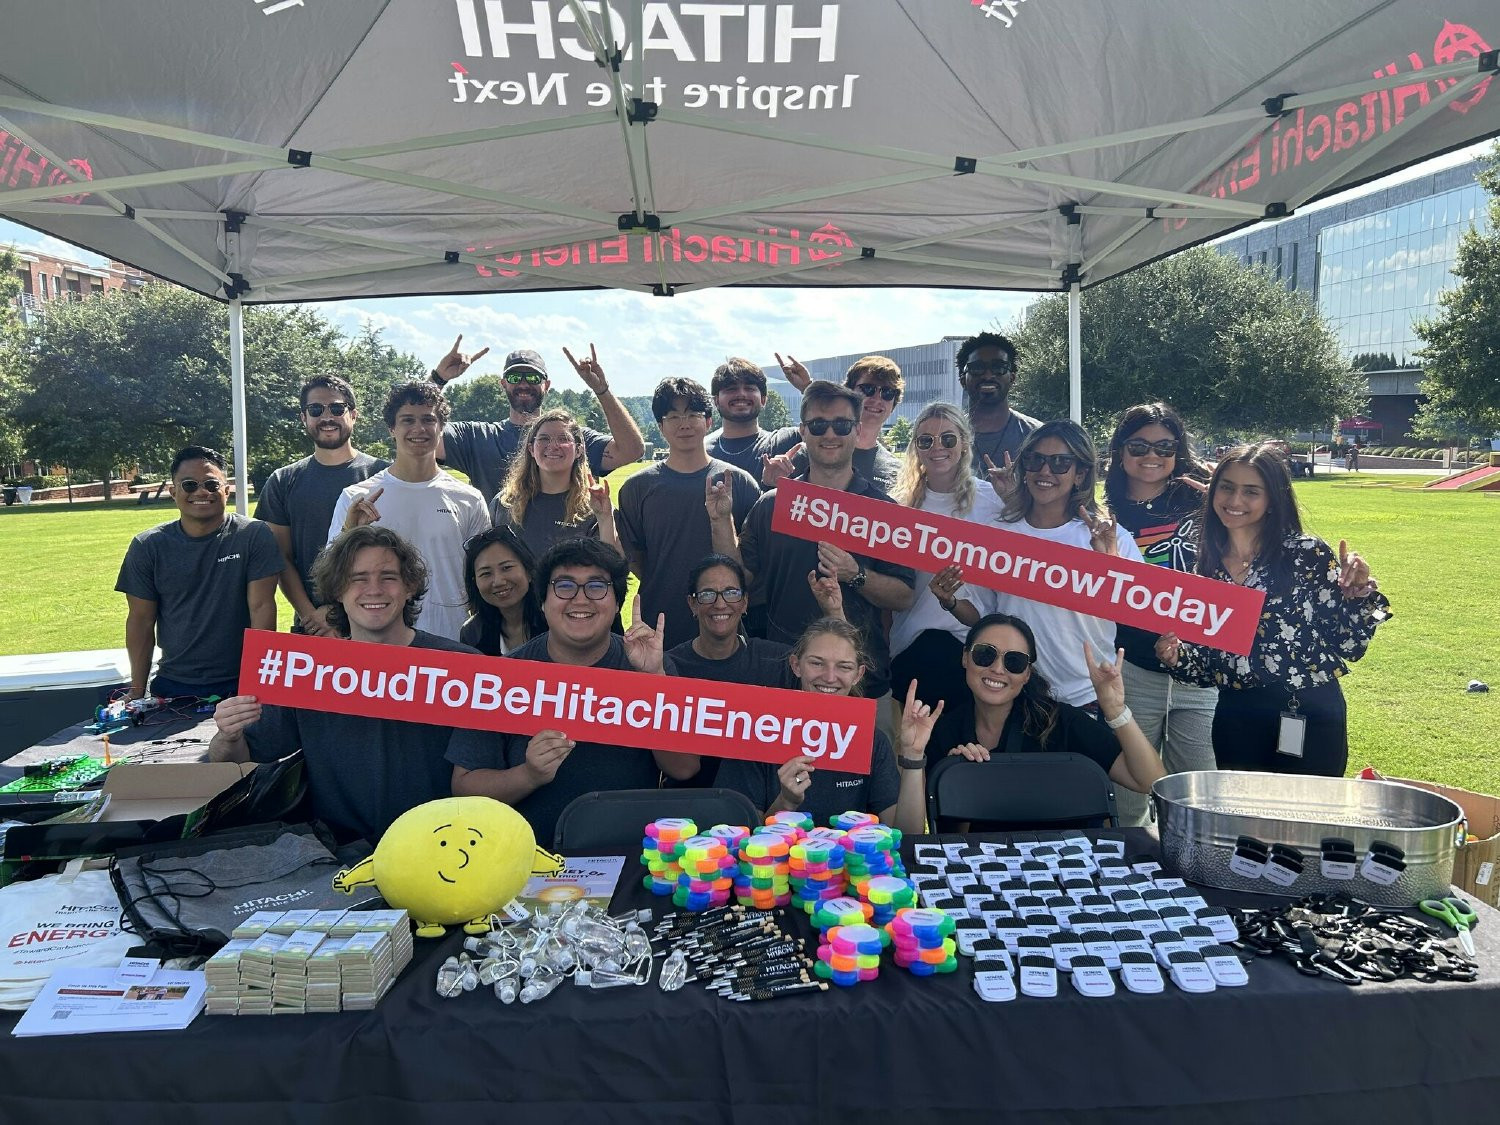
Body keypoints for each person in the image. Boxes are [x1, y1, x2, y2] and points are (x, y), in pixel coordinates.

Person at [208, 526, 491, 843]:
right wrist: (228, 734)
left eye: (388, 577)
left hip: (442, 849)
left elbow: (486, 773)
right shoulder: (305, 670)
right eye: (358, 579)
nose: (374, 589)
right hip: (338, 854)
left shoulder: (465, 667)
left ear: (409, 586)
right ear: (337, 591)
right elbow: (231, 757)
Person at [1156, 442, 1390, 777]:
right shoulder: (1207, 566)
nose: (1235, 501)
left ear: (1271, 500)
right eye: (1227, 487)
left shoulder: (1305, 554)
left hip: (1309, 710)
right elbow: (1212, 665)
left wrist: (1358, 596)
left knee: (1309, 820)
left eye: (1251, 491)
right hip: (1237, 715)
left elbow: (1349, 645)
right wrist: (1178, 657)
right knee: (1241, 820)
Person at [447, 537, 698, 845]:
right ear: (542, 600)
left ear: (616, 602)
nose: (580, 600)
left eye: (596, 586)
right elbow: (464, 787)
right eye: (564, 586)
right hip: (530, 857)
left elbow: (684, 768)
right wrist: (528, 775)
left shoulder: (651, 663)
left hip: (631, 853)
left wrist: (654, 681)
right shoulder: (500, 678)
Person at [714, 381, 916, 741]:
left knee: (872, 792)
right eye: (819, 425)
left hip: (862, 680)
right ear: (803, 431)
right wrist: (719, 520)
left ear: (856, 430)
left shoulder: (884, 513)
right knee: (785, 790)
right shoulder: (773, 505)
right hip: (784, 676)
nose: (830, 434)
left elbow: (903, 596)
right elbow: (739, 581)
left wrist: (856, 575)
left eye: (841, 425)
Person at [940, 420, 1142, 710]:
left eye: (1060, 463)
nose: (1045, 471)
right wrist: (949, 601)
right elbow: (983, 618)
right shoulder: (997, 533)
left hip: (1087, 698)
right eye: (1035, 460)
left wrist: (1112, 566)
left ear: (1081, 474)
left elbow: (1135, 616)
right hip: (1013, 696)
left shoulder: (1109, 537)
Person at [908, 615, 1166, 816]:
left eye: (1015, 661)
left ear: (1027, 673)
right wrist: (960, 779)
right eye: (985, 654)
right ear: (965, 658)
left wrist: (1115, 709)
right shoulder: (944, 730)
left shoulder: (1062, 722)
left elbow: (1149, 782)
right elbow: (936, 831)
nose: (998, 669)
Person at [1102, 403, 1218, 823]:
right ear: (1120, 451)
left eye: (1164, 446)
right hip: (1134, 666)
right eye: (1139, 445)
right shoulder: (1104, 514)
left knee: (1199, 798)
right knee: (1129, 797)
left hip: (1201, 667)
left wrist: (1218, 496)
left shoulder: (1205, 503)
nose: (1152, 455)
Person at [714, 618, 926, 836]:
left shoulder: (871, 740)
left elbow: (909, 835)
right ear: (796, 665)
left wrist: (913, 756)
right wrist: (786, 803)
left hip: (851, 867)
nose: (829, 677)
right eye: (817, 663)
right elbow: (738, 841)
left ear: (858, 675)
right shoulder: (755, 731)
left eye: (844, 667)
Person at [116, 446, 282, 700]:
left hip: (239, 684)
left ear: (226, 491)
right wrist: (137, 691)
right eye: (190, 485)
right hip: (174, 683)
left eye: (212, 484)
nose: (202, 492)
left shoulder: (253, 536)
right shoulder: (148, 546)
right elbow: (140, 620)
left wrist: (257, 684)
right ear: (173, 492)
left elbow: (262, 608)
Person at [328, 381, 490, 642]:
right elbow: (331, 579)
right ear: (392, 428)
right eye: (407, 420)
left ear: (441, 428)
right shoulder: (356, 497)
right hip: (378, 643)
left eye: (428, 419)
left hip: (451, 640)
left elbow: (484, 577)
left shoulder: (468, 499)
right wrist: (351, 532)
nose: (419, 429)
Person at [665, 554, 845, 786]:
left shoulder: (777, 659)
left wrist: (834, 612)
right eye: (707, 594)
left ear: (745, 602)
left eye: (731, 593)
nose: (720, 604)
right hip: (691, 804)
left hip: (769, 804)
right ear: (692, 603)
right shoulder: (669, 666)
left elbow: (836, 678)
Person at [617, 377, 761, 651]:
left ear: (708, 422)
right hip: (658, 623)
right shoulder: (638, 488)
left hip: (725, 627)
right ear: (660, 426)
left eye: (693, 414)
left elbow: (751, 566)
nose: (684, 424)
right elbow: (636, 558)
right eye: (673, 416)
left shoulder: (739, 483)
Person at [889, 402, 1004, 719]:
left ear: (965, 442)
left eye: (948, 439)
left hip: (976, 649)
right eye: (925, 440)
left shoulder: (994, 502)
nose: (937, 447)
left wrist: (1016, 498)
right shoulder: (898, 507)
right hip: (910, 645)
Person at [431, 340, 644, 505]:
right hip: (503, 559)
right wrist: (438, 379)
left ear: (547, 385)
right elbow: (418, 433)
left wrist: (601, 390)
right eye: (515, 378)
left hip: (565, 558)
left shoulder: (571, 439)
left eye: (533, 378)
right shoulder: (478, 438)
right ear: (503, 384)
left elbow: (632, 450)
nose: (523, 384)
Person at [256, 374, 386, 636]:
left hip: (378, 620)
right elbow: (281, 557)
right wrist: (311, 615)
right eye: (316, 409)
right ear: (304, 417)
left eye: (337, 408)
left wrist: (340, 611)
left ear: (353, 415)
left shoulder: (383, 475)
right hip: (314, 627)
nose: (327, 417)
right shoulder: (283, 481)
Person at [490, 408, 620, 558]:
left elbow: (612, 567)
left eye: (563, 438)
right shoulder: (504, 503)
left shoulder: (595, 505)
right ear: (531, 449)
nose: (553, 446)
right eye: (544, 439)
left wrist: (604, 519)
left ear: (579, 450)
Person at [771, 354, 903, 490]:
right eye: (868, 389)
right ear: (850, 393)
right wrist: (771, 483)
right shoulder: (809, 453)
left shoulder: (898, 472)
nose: (877, 398)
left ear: (894, 403)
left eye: (887, 392)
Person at [703, 356, 802, 487]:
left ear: (763, 399)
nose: (741, 394)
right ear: (716, 401)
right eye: (731, 389)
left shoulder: (788, 441)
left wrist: (807, 387)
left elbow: (832, 426)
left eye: (749, 388)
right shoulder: (702, 454)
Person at [955, 331, 1040, 477]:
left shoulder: (1037, 436)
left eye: (999, 367)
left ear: (1012, 378)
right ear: (963, 380)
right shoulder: (944, 439)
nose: (988, 375)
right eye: (977, 368)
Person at [460, 525, 546, 656]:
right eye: (486, 573)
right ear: (475, 582)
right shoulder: (472, 633)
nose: (499, 581)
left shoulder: (554, 623)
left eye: (506, 568)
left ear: (528, 571)